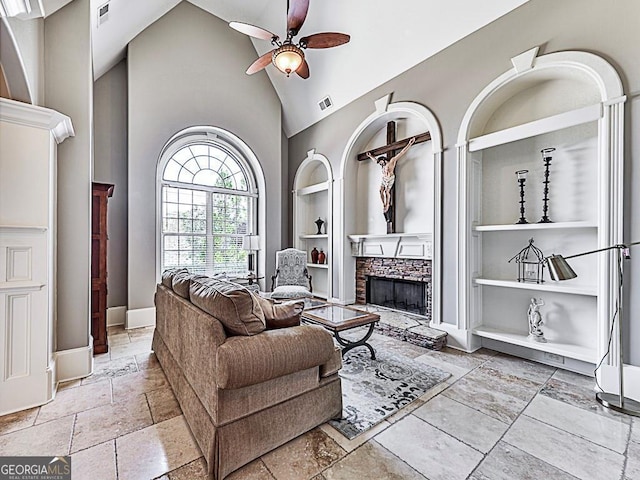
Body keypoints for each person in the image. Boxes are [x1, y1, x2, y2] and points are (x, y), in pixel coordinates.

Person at [366, 136, 416, 215]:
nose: (380, 164)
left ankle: (387, 204)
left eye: (381, 162)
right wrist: (370, 156)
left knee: (387, 191)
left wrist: (409, 144)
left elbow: (401, 153)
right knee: (380, 191)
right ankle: (384, 204)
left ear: (383, 159)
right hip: (384, 179)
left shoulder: (392, 161)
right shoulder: (382, 164)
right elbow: (375, 161)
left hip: (390, 179)